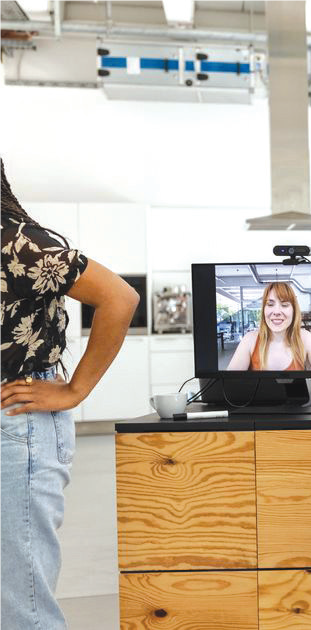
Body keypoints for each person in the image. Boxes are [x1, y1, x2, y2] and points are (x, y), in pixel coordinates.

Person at [0, 155, 140, 629]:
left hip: (15, 424)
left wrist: (75, 389)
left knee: (21, 603)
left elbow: (119, 297)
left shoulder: (16, 241)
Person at [225, 281, 311, 371]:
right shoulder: (250, 339)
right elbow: (228, 384)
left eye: (284, 305)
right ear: (264, 310)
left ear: (294, 310)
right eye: (270, 304)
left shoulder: (305, 338)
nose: (276, 312)